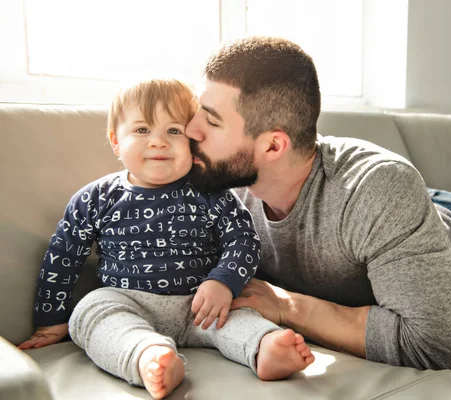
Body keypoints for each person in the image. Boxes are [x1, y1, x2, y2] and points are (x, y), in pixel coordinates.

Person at [184, 36, 451, 371]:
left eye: (212, 120)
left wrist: (285, 305)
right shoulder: (219, 180)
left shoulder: (376, 188)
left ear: (274, 144)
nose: (190, 129)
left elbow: (433, 346)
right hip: (410, 213)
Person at [18, 79, 314, 400]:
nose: (158, 142)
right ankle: (149, 356)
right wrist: (51, 321)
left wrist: (223, 283)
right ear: (116, 142)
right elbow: (62, 258)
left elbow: (243, 239)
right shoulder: (96, 198)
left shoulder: (210, 192)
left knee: (241, 316)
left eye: (174, 131)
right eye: (142, 130)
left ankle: (265, 348)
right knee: (91, 311)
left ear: (194, 144)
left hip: (201, 305)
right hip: (127, 302)